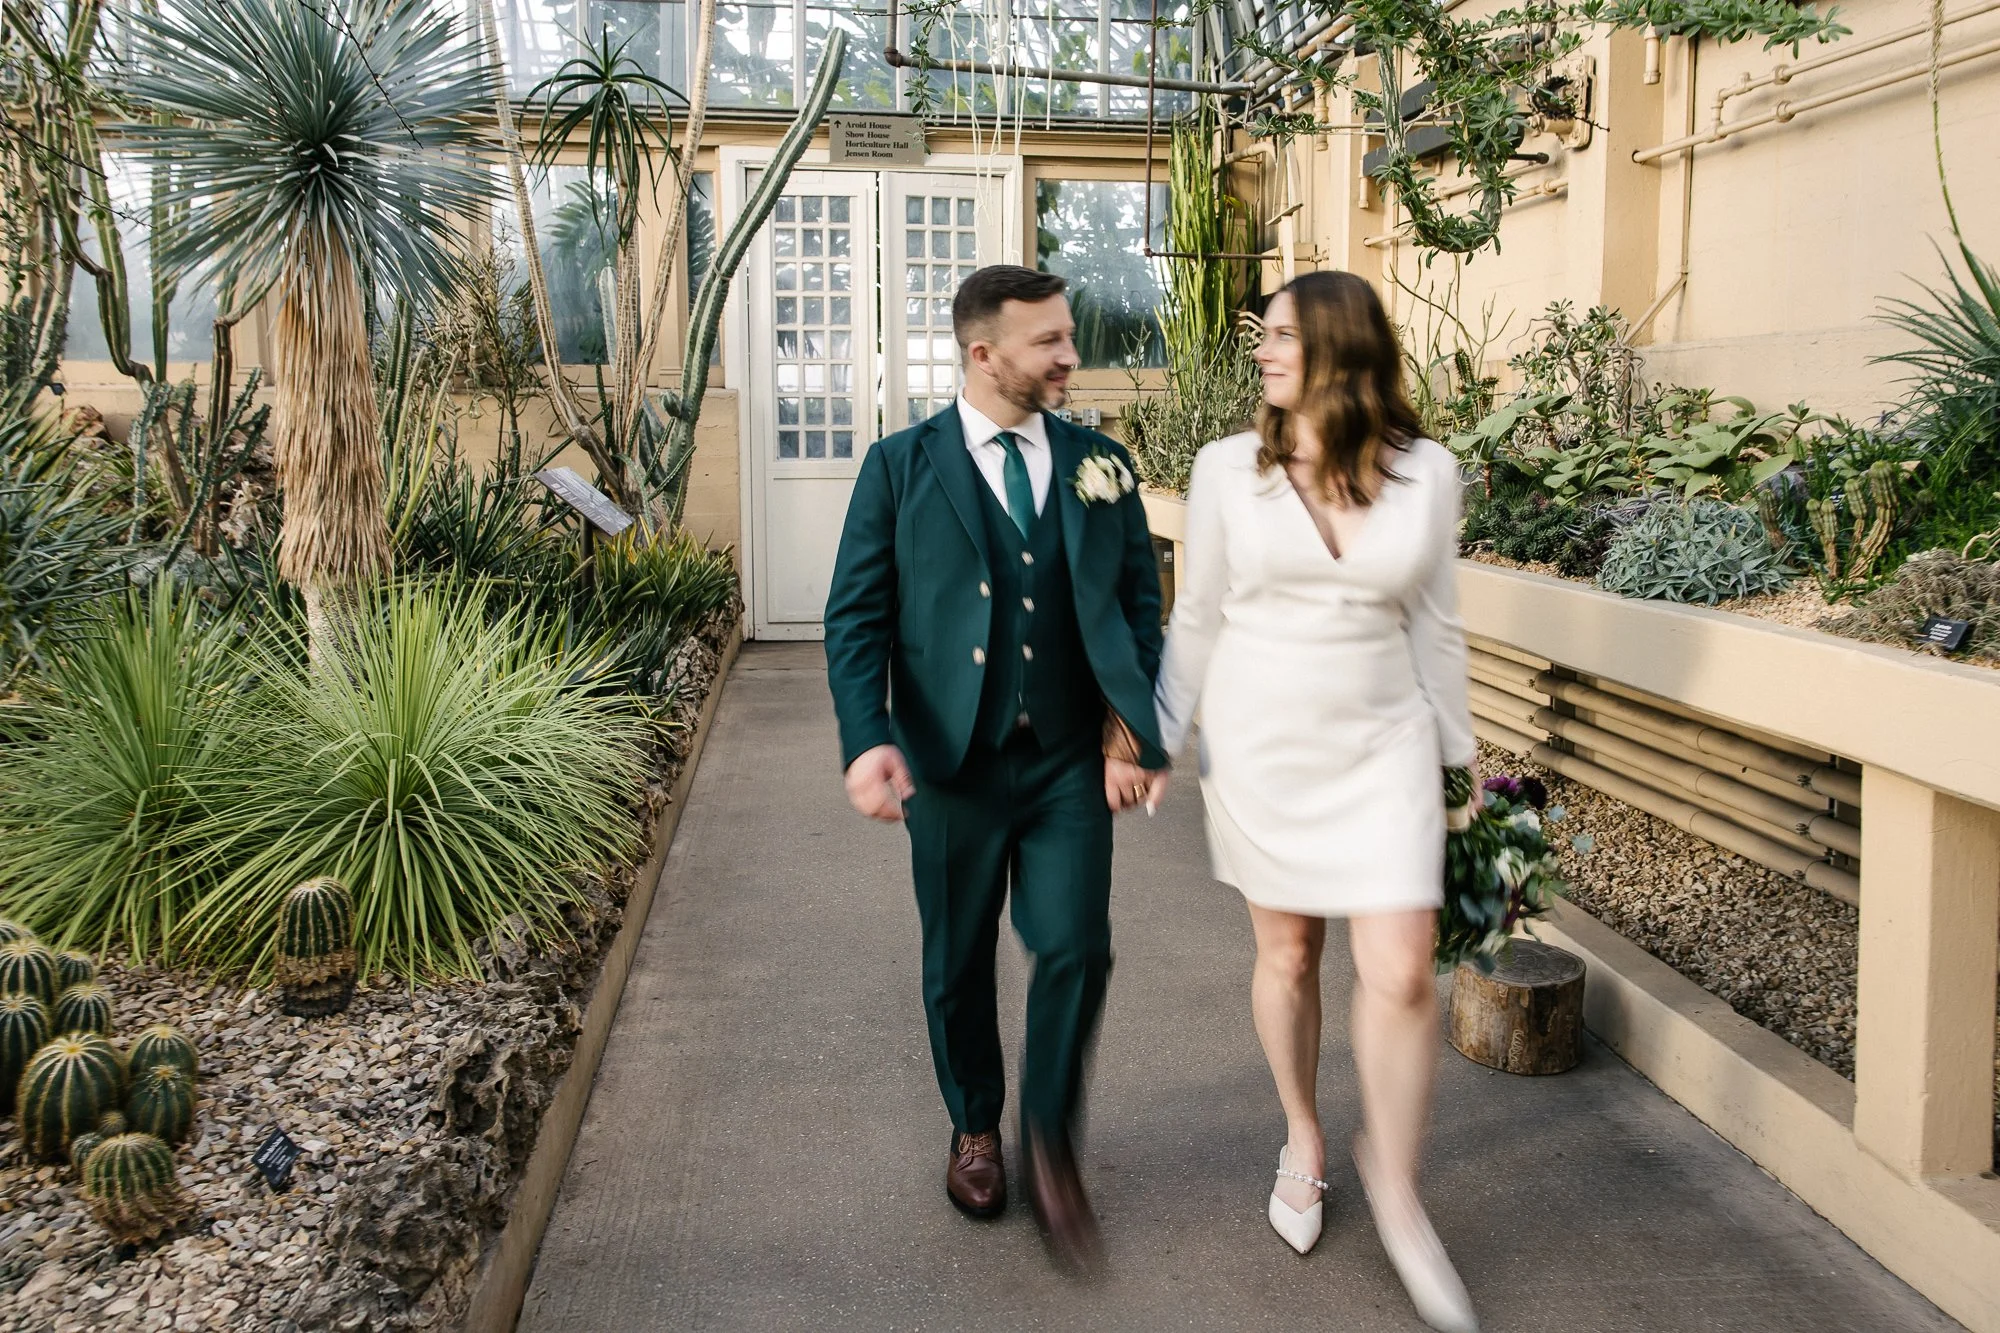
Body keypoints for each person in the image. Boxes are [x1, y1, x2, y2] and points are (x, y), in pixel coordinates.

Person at [824, 264, 1170, 1269]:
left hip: (1066, 760)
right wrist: (867, 737)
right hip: (949, 763)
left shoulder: (1100, 462)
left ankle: (1051, 1138)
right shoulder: (898, 468)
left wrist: (1131, 731)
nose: (1071, 355)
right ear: (983, 354)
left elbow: (1139, 607)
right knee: (957, 959)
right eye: (1049, 341)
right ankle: (975, 1123)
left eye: (1069, 335)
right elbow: (855, 621)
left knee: (1074, 945)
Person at [1153, 271, 1479, 1333]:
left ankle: (1396, 1182)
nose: (1261, 350)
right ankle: (1303, 1135)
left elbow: (1435, 625)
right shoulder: (1223, 471)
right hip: (1259, 749)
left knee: (1400, 973)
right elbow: (1195, 616)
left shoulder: (1427, 474)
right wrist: (1156, 736)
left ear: (1340, 348)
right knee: (1289, 954)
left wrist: (1457, 763)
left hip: (1383, 745)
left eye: (1282, 334)